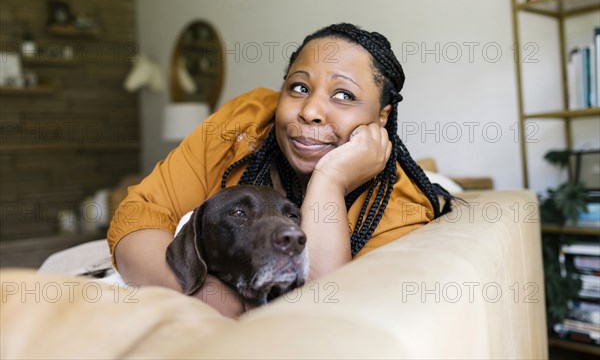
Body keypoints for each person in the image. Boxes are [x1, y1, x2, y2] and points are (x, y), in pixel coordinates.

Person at [108, 23, 454, 318]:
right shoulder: (243, 123)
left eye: (344, 95)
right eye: (299, 88)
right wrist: (219, 301)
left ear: (381, 116)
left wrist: (330, 180)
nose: (311, 110)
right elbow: (137, 221)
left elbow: (318, 311)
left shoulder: (399, 208)